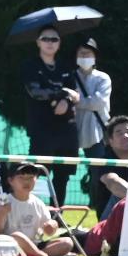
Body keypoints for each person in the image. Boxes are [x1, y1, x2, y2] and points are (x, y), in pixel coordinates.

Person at [21, 25, 81, 205]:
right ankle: (29, 208)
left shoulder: (66, 66)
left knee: (63, 175)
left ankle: (57, 213)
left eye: (54, 39)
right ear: (38, 42)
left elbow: (75, 94)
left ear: (59, 43)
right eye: (45, 39)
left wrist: (66, 101)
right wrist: (60, 95)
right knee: (36, 171)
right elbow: (35, 91)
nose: (50, 43)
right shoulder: (30, 66)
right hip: (42, 128)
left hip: (66, 128)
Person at [0, 162, 82, 256]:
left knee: (67, 243)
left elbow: (48, 230)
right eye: (21, 178)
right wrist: (0, 215)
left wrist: (52, 226)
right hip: (11, 245)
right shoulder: (4, 203)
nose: (27, 182)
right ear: (10, 181)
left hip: (35, 244)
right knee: (17, 236)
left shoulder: (38, 202)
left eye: (30, 178)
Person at [83, 114, 128, 216]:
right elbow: (113, 183)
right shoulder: (105, 162)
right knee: (120, 195)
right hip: (110, 222)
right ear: (111, 141)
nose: (125, 136)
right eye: (119, 133)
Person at [69, 38, 111, 156]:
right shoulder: (69, 77)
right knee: (67, 169)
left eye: (88, 53)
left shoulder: (103, 78)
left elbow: (98, 102)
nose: (84, 56)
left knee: (98, 170)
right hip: (73, 132)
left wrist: (77, 101)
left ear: (95, 56)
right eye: (81, 53)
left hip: (97, 132)